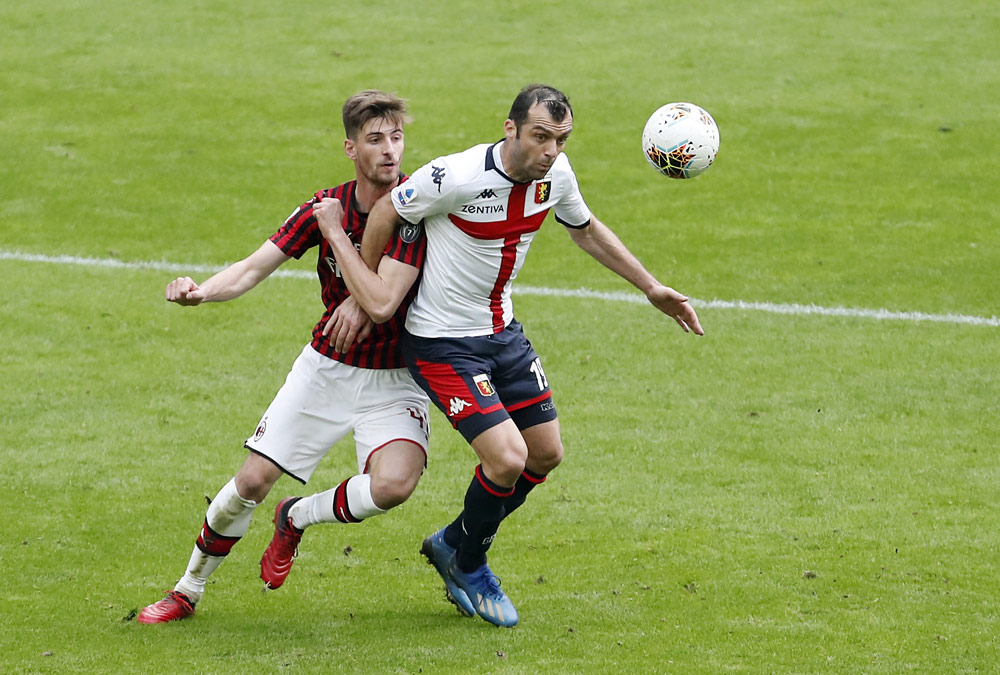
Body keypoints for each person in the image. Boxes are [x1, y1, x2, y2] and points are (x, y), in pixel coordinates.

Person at [349, 84, 704, 628]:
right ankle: (469, 564)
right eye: (540, 136)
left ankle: (452, 541)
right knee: (507, 459)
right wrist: (364, 292)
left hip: (502, 335)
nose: (551, 150)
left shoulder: (556, 176)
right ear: (510, 128)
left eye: (560, 139)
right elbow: (385, 214)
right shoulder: (456, 177)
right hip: (442, 343)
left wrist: (650, 287)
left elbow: (586, 231)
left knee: (544, 454)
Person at [137, 90, 433, 624]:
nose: (390, 150)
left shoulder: (420, 208)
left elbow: (384, 300)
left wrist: (343, 256)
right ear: (350, 148)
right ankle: (187, 589)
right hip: (327, 369)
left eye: (397, 137)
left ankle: (296, 516)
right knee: (249, 483)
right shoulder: (323, 206)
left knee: (394, 485)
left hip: (395, 377)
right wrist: (201, 292)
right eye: (375, 140)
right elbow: (253, 267)